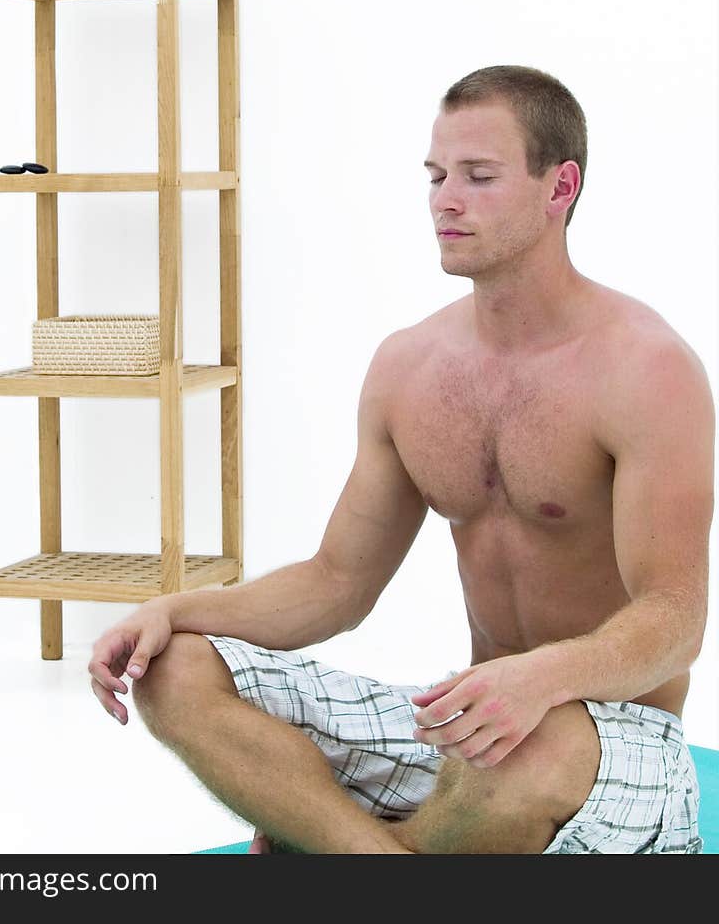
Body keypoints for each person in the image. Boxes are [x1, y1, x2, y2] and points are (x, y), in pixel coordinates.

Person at [88, 65, 714, 854]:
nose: (444, 200)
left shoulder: (646, 369)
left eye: (478, 177)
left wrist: (545, 678)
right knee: (174, 668)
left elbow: (675, 620)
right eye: (436, 175)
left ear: (560, 188)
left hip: (616, 745)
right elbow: (336, 584)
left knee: (529, 748)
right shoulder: (410, 367)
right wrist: (168, 612)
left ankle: (327, 841)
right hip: (468, 731)